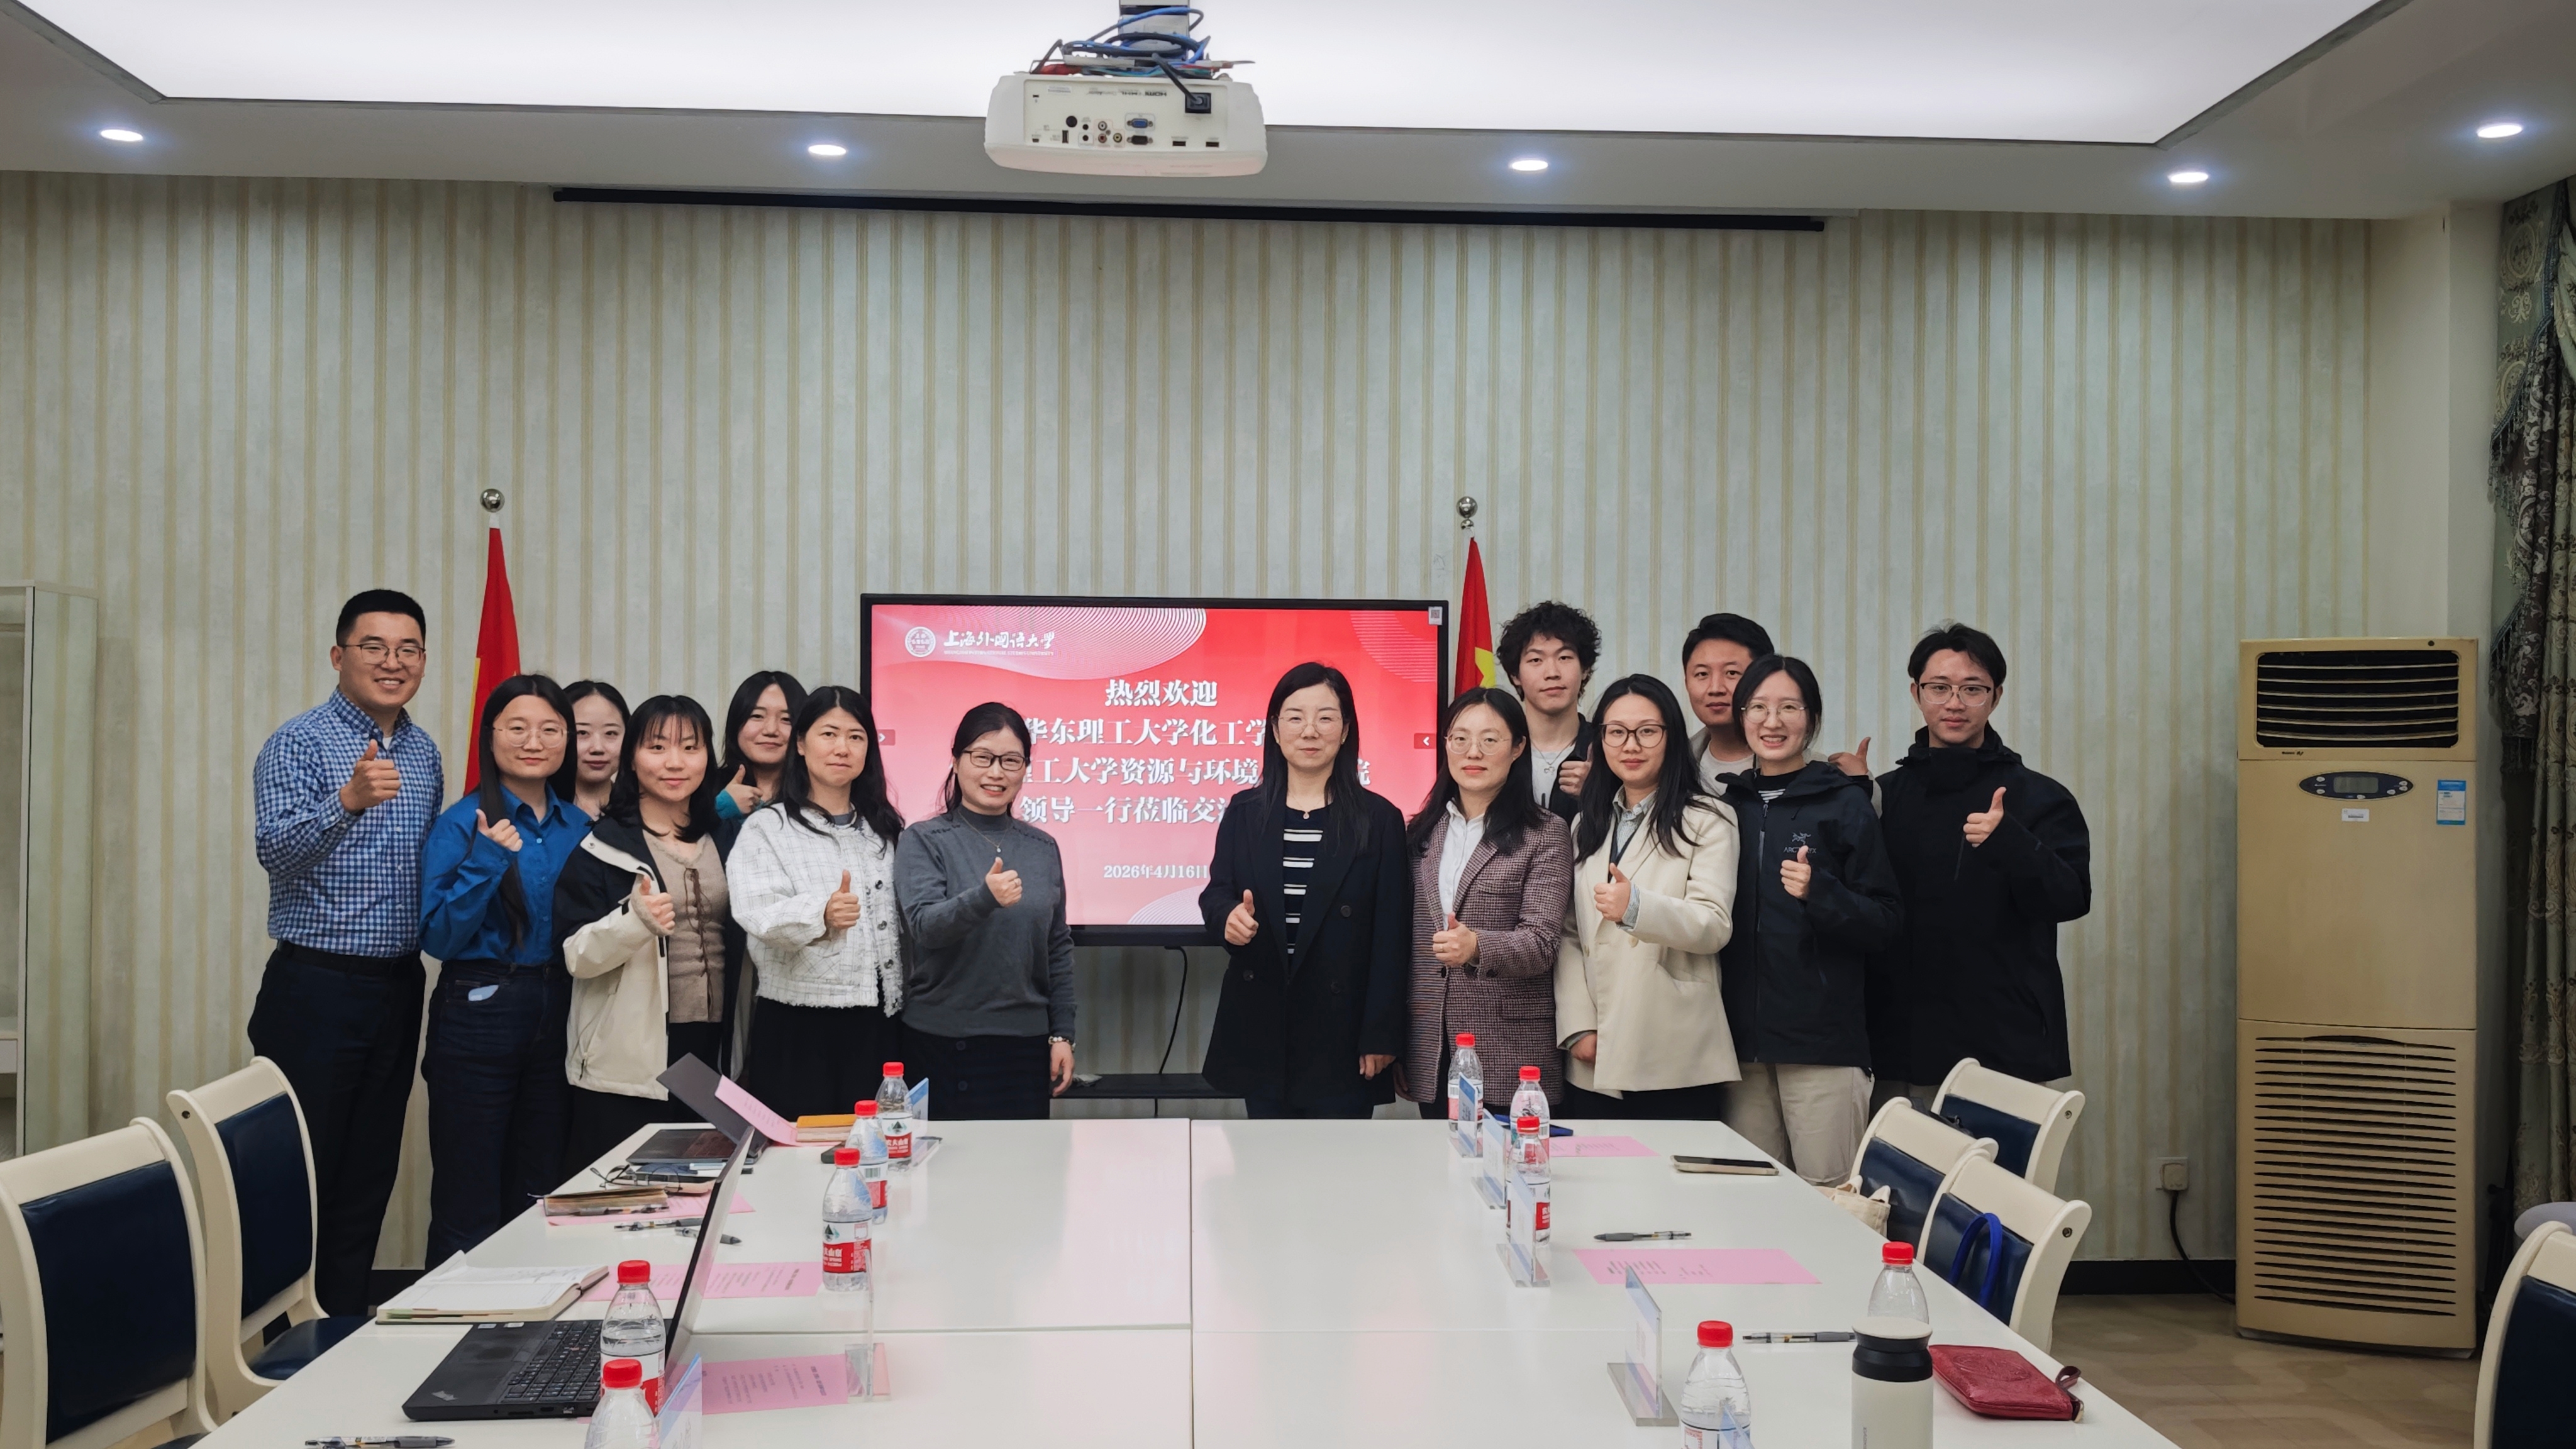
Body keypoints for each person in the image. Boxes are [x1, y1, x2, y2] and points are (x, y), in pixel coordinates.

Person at [250, 589, 443, 1316]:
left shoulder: (424, 752)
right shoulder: (298, 742)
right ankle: (280, 1343)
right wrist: (347, 801)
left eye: (408, 649)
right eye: (374, 647)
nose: (393, 662)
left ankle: (341, 1323)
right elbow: (274, 852)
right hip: (315, 989)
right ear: (339, 655)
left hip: (398, 985)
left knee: (369, 1168)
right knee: (301, 1171)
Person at [1855, 624, 2091, 1104]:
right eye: (1939, 688)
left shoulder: (2040, 796)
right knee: (1901, 1156)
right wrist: (1850, 799)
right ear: (1916, 693)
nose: (1955, 703)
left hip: (2004, 1041)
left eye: (1972, 689)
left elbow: (2071, 898)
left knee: (1998, 1157)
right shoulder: (1885, 795)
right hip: (1901, 1039)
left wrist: (2012, 842)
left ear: (1996, 696)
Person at [417, 674, 591, 1262]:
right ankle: (449, 1316)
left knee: (540, 1190)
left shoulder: (579, 828)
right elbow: (438, 937)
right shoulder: (461, 822)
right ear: (490, 736)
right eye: (517, 728)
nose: (533, 742)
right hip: (480, 1008)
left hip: (562, 1008)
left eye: (550, 729)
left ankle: (530, 1316)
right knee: (468, 1197)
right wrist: (488, 857)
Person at [1714, 657, 1904, 1183]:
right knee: (1752, 1200)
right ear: (1741, 717)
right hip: (1740, 1048)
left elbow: (1886, 920)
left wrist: (1822, 893)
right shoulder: (1727, 806)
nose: (1772, 722)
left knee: (1831, 1199)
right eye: (1758, 708)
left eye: (1789, 708)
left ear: (1812, 718)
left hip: (1822, 1044)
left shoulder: (1844, 803)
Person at [1199, 662, 1411, 1118]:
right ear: (1276, 731)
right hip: (1262, 1026)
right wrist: (1227, 917)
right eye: (1295, 717)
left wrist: (1380, 1034)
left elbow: (1392, 939)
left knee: (1337, 1160)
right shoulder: (1245, 811)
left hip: (1343, 1032)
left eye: (1326, 717)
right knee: (1263, 1157)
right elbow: (1216, 892)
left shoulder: (1379, 820)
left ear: (1346, 730)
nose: (1310, 730)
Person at [553, 695, 747, 1172]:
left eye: (690, 747)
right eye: (657, 747)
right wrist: (633, 921)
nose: (675, 763)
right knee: (630, 1193)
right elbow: (575, 956)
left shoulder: (729, 839)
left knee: (706, 1190)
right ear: (633, 759)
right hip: (635, 1055)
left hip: (717, 1049)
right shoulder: (602, 847)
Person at [1553, 675, 1738, 1119]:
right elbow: (1569, 933)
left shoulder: (1709, 818)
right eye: (1616, 732)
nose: (1631, 745)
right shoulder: (1586, 824)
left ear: (1671, 737)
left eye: (1647, 731)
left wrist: (1636, 908)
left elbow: (1714, 925)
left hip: (1672, 1047)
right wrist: (1578, 1026)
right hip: (1596, 1049)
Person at [726, 687, 908, 1117]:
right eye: (829, 734)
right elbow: (756, 912)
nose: (843, 748)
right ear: (802, 744)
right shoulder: (767, 828)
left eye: (856, 737)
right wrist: (821, 915)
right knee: (798, 1147)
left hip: (880, 1021)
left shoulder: (886, 831)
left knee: (876, 1143)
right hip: (797, 1025)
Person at [894, 702, 1080, 1119]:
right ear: (956, 761)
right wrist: (984, 898)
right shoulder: (924, 839)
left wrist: (1062, 1034)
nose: (996, 773)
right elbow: (925, 927)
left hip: (1024, 1044)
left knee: (1022, 1160)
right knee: (944, 1163)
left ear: (1025, 769)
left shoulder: (1042, 847)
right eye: (982, 757)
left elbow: (1057, 947)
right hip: (942, 1041)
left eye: (1011, 761)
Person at [1398, 687, 1574, 1116]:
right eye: (1460, 739)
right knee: (1435, 1158)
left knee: (1513, 1159)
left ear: (1518, 748)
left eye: (1490, 740)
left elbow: (1543, 943)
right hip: (1431, 1049)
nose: (1472, 752)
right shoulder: (1420, 832)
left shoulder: (1546, 833)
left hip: (1510, 1054)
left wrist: (1477, 946)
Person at [1497, 601, 1601, 822]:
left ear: (1585, 669)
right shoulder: (1498, 751)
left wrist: (1599, 793)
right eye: (1536, 660)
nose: (1552, 672)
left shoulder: (1608, 748)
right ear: (1515, 675)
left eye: (1564, 658)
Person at [1681, 613, 1775, 791]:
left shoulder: (1815, 774)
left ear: (1766, 679)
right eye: (1702, 674)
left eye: (1732, 673)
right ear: (1687, 683)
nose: (1716, 688)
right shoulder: (1667, 769)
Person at [713, 670, 808, 823]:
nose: (771, 730)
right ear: (736, 723)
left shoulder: (816, 795)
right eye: (757, 716)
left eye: (786, 719)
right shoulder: (703, 788)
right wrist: (722, 808)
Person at [563, 680, 630, 822]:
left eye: (610, 733)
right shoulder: (537, 808)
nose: (598, 748)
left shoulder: (642, 811)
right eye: (582, 732)